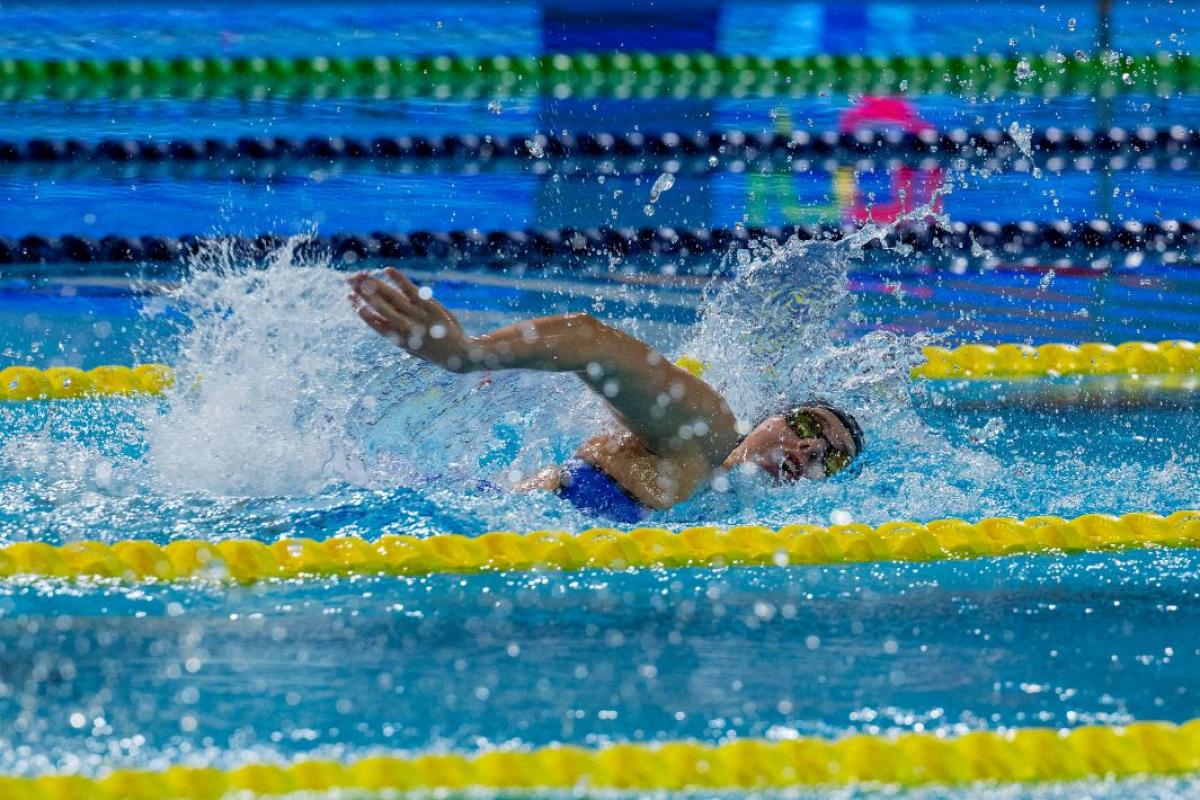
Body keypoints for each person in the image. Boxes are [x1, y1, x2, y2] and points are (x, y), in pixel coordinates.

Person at [347, 268, 864, 523]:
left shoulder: (747, 518)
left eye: (830, 457)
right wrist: (467, 353)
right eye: (804, 426)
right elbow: (592, 341)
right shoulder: (704, 432)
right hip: (443, 515)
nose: (808, 450)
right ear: (769, 418)